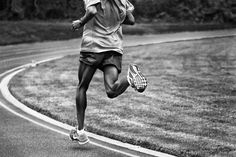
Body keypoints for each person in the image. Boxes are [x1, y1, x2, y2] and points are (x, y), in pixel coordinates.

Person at [69, 0, 147, 145]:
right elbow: (131, 20)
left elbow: (92, 11)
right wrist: (112, 21)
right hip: (113, 48)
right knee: (111, 89)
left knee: (82, 87)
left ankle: (80, 131)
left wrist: (80, 22)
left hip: (93, 47)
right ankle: (130, 78)